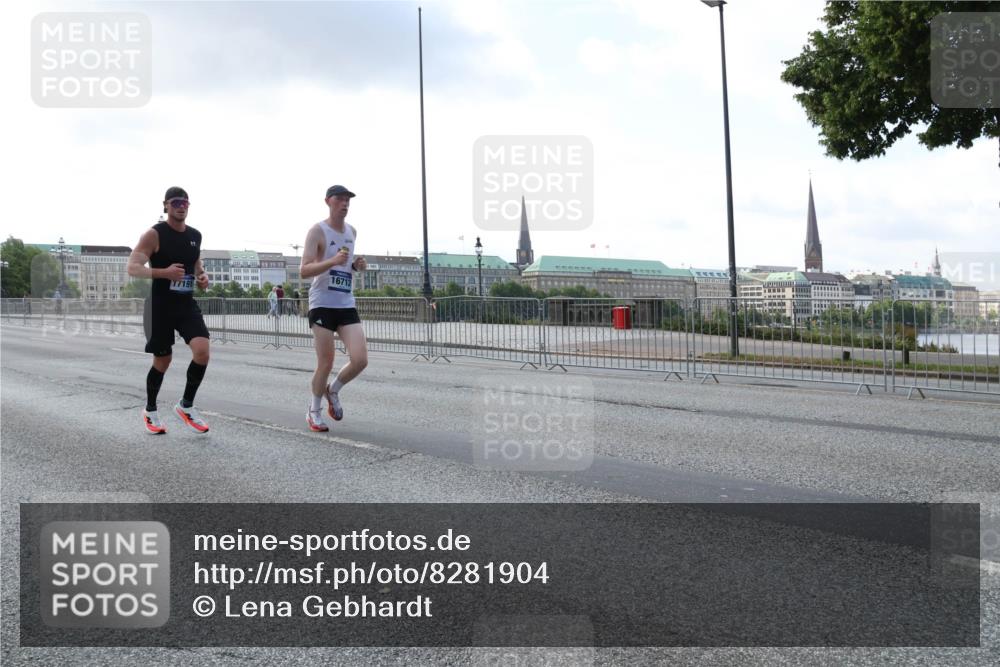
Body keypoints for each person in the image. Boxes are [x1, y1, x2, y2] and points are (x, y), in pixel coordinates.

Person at [127, 186, 211, 434]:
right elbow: (133, 267)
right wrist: (163, 273)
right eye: (175, 202)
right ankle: (150, 411)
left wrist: (202, 276)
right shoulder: (155, 234)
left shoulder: (195, 235)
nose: (181, 206)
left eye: (185, 202)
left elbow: (195, 262)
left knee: (202, 351)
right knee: (163, 360)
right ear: (165, 205)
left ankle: (186, 405)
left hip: (185, 304)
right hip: (160, 306)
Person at [299, 184, 368, 432]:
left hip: (345, 303)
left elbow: (344, 266)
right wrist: (332, 261)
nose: (345, 203)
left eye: (348, 199)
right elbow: (305, 270)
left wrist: (355, 266)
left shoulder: (352, 231)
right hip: (322, 304)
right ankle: (314, 410)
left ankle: (333, 390)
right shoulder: (317, 231)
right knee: (326, 362)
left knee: (360, 360)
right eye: (340, 199)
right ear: (328, 201)